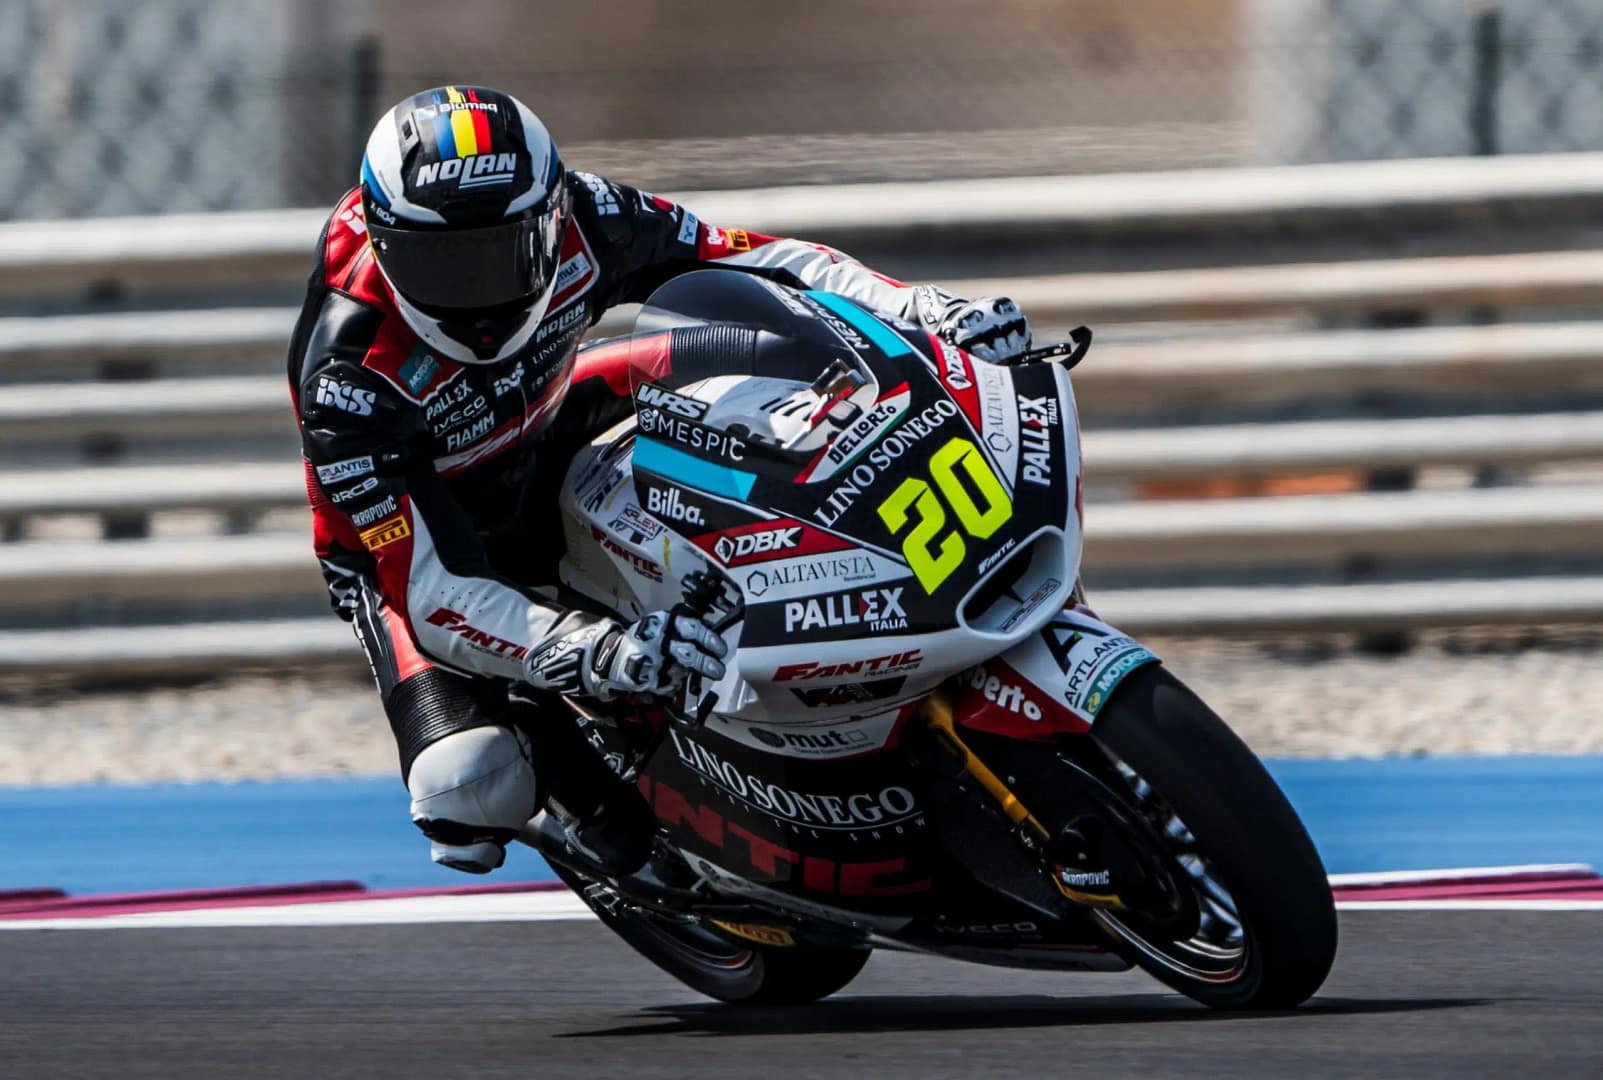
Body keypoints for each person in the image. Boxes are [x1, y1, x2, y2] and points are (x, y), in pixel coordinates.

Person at [289, 85, 1034, 878]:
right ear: (384, 241)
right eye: (445, 264)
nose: (480, 297)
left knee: (777, 356)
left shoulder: (591, 217)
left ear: (550, 215)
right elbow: (434, 590)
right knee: (470, 784)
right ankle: (619, 831)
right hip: (417, 535)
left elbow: (761, 260)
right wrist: (597, 651)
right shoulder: (348, 378)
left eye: (503, 253)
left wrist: (924, 311)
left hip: (545, 425)